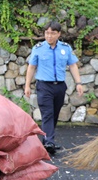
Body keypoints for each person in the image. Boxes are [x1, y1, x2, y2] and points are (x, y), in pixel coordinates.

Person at [24, 21, 84, 154]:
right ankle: (49, 140)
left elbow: (73, 65)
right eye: (47, 33)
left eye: (52, 33)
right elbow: (32, 67)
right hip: (44, 86)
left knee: (55, 114)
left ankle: (47, 141)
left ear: (59, 34)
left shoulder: (65, 48)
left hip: (59, 87)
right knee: (47, 114)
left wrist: (78, 83)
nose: (49, 36)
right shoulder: (38, 48)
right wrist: (27, 85)